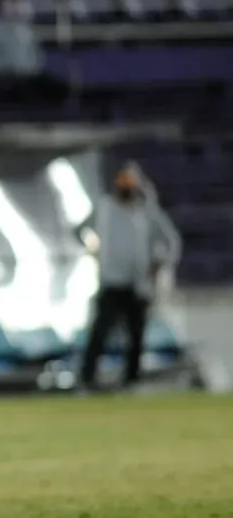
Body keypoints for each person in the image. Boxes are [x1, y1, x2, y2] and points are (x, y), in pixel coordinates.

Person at [78, 164, 181, 391]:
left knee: (136, 336)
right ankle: (87, 379)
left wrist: (159, 263)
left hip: (137, 285)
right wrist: (94, 252)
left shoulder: (146, 212)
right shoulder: (104, 208)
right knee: (99, 334)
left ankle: (131, 380)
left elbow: (171, 242)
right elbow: (79, 231)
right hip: (111, 282)